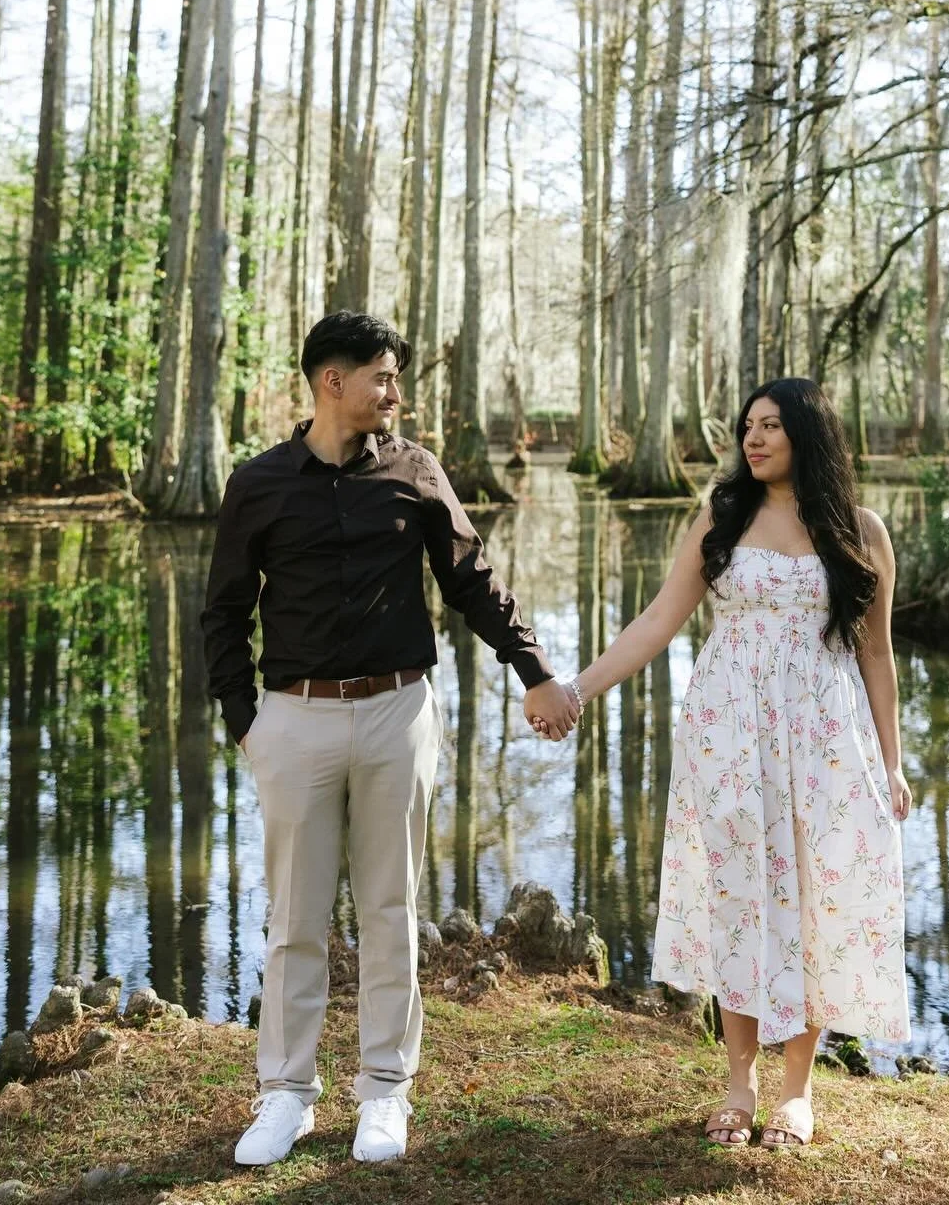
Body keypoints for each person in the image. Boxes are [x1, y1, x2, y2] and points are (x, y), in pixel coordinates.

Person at [202, 311, 577, 1169]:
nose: (395, 393)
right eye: (381, 376)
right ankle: (286, 1095)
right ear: (331, 382)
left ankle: (385, 1090)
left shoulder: (415, 471)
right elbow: (222, 614)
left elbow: (474, 581)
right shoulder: (257, 483)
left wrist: (536, 673)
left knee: (389, 911)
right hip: (292, 720)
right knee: (294, 918)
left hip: (396, 715)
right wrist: (245, 725)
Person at [542, 377, 910, 1150]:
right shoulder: (723, 516)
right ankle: (740, 1080)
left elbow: (877, 657)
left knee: (813, 898)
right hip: (729, 735)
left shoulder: (862, 530)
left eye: (772, 426)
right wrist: (576, 689)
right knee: (740, 894)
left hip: (822, 740)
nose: (755, 438)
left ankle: (798, 1089)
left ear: (808, 434)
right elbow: (657, 621)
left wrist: (893, 764)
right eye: (748, 425)